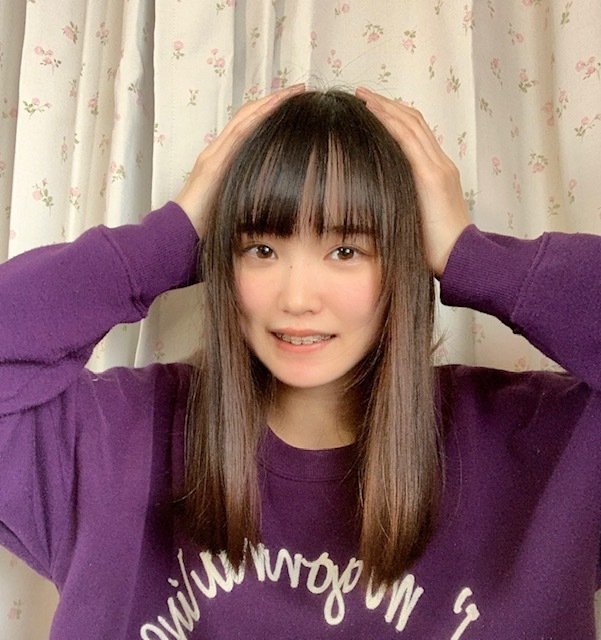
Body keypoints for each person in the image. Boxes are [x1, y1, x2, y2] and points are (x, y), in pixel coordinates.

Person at [0, 85, 600, 639]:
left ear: (405, 259)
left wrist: (471, 256)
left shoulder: (544, 449)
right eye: (262, 248)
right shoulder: (111, 442)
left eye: (346, 250)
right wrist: (167, 239)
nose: (297, 298)